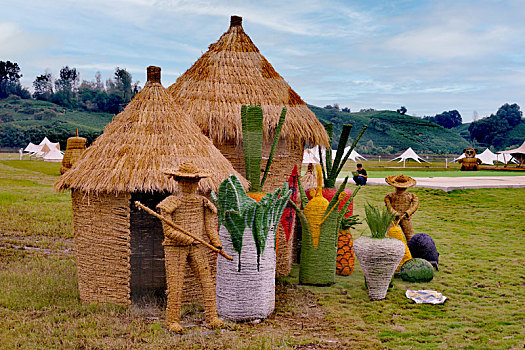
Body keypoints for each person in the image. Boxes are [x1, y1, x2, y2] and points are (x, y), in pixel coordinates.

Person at [157, 162, 223, 333]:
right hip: (175, 247)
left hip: (198, 245)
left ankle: (212, 317)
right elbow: (168, 230)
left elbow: (209, 226)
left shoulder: (203, 203)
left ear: (198, 182)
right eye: (185, 181)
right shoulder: (170, 203)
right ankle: (172, 321)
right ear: (178, 180)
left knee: (207, 282)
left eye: (193, 181)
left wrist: (216, 243)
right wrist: (185, 238)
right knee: (176, 285)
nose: (189, 185)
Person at [384, 174, 419, 242]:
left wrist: (407, 213)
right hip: (393, 218)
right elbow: (388, 206)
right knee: (389, 234)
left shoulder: (411, 196)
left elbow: (415, 205)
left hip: (405, 218)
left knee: (409, 235)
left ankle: (411, 250)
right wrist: (394, 213)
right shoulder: (389, 196)